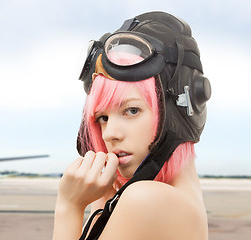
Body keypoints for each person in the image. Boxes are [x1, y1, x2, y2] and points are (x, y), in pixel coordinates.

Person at [53, 11, 211, 240]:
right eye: (103, 118)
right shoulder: (176, 197)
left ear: (178, 113)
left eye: (132, 110)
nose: (110, 135)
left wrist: (68, 207)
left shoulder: (146, 199)